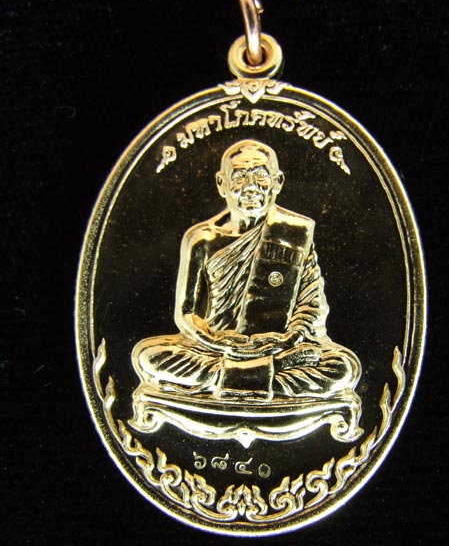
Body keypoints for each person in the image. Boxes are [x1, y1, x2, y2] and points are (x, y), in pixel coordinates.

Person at [131, 139, 361, 402]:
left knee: (342, 367)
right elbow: (186, 315)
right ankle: (270, 374)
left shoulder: (294, 233)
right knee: (149, 356)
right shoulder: (202, 239)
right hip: (216, 348)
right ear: (222, 183)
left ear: (277, 182)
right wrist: (216, 341)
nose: (250, 187)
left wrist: (289, 339)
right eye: (240, 177)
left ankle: (229, 378)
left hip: (278, 346)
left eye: (260, 176)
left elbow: (311, 306)